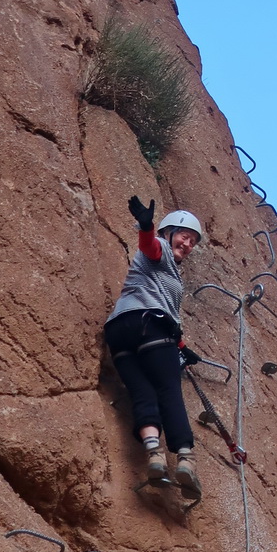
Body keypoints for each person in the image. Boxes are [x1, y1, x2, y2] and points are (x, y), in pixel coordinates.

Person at [104, 196, 204, 500]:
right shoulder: (159, 251)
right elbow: (149, 245)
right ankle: (185, 459)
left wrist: (183, 346)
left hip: (119, 331)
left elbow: (168, 309)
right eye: (185, 236)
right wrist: (146, 225)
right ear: (168, 232)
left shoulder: (165, 270)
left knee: (143, 393)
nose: (188, 244)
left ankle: (155, 456)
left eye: (193, 242)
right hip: (150, 326)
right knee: (168, 390)